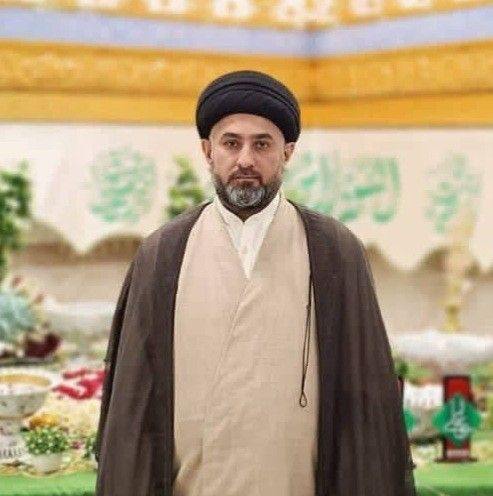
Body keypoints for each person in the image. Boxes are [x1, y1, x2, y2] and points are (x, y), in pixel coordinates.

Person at [95, 70, 416, 496]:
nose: (245, 159)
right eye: (231, 143)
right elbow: (132, 405)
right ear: (208, 151)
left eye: (262, 144)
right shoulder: (163, 253)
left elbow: (365, 396)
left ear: (287, 152)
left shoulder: (334, 250)